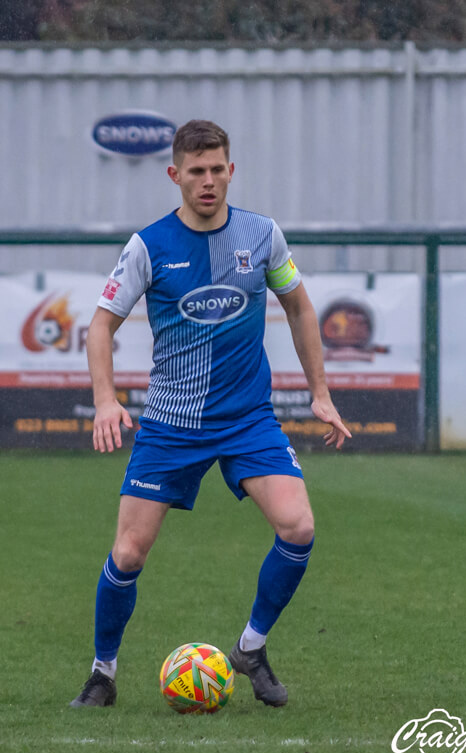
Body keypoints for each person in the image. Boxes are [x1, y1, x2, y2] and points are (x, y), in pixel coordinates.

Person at [69, 119, 351, 709]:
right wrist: (104, 399)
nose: (207, 181)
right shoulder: (150, 247)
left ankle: (250, 648)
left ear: (230, 171)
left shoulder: (263, 235)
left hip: (248, 418)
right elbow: (101, 325)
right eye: (195, 171)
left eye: (217, 169)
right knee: (128, 554)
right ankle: (103, 672)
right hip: (172, 423)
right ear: (175, 175)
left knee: (299, 527)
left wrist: (319, 390)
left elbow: (298, 306)